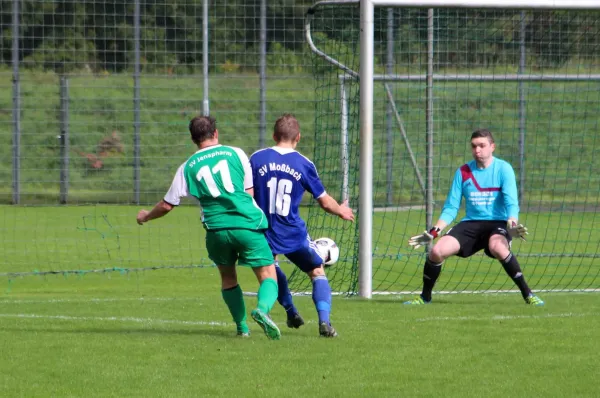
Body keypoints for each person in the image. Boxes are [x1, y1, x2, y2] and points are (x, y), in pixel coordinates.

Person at [136, 116, 282, 340]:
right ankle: (262, 310)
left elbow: (167, 205)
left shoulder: (188, 166)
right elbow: (249, 193)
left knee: (228, 278)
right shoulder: (237, 153)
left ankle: (242, 328)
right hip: (246, 224)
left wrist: (146, 216)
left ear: (193, 138)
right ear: (216, 133)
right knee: (267, 274)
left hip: (216, 230)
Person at [406, 128, 544, 306]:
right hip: (471, 224)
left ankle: (528, 294)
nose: (477, 150)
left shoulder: (503, 169)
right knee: (436, 251)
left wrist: (512, 222)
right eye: (474, 146)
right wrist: (434, 231)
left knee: (498, 247)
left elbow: (511, 202)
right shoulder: (463, 172)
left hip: (497, 224)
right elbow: (451, 207)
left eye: (482, 145)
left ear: (492, 147)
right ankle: (425, 297)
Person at [250, 114, 355, 337]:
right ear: (298, 137)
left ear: (273, 135)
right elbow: (325, 202)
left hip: (263, 229)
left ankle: (290, 310)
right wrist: (341, 210)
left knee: (271, 270)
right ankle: (324, 322)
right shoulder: (304, 163)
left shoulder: (257, 159)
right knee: (317, 271)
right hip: (293, 232)